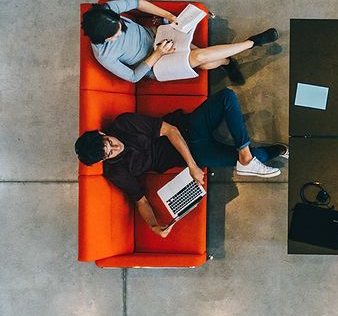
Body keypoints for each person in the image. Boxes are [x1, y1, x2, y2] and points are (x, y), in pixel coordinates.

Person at [75, 89, 287, 237]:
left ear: (103, 133)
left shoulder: (124, 124)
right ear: (103, 160)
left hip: (187, 129)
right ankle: (273, 151)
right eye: (108, 154)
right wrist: (153, 226)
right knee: (255, 157)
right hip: (196, 153)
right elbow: (140, 200)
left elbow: (170, 130)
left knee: (226, 97)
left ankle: (246, 156)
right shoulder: (116, 172)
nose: (115, 148)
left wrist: (193, 167)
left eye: (109, 143)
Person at [81, 0, 279, 84]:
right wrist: (157, 54)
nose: (121, 32)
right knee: (200, 55)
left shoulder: (106, 10)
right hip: (154, 65)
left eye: (120, 26)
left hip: (157, 35)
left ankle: (227, 62)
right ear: (103, 40)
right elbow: (133, 77)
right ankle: (253, 42)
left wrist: (169, 15)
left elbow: (138, 3)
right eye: (116, 35)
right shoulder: (105, 55)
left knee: (205, 61)